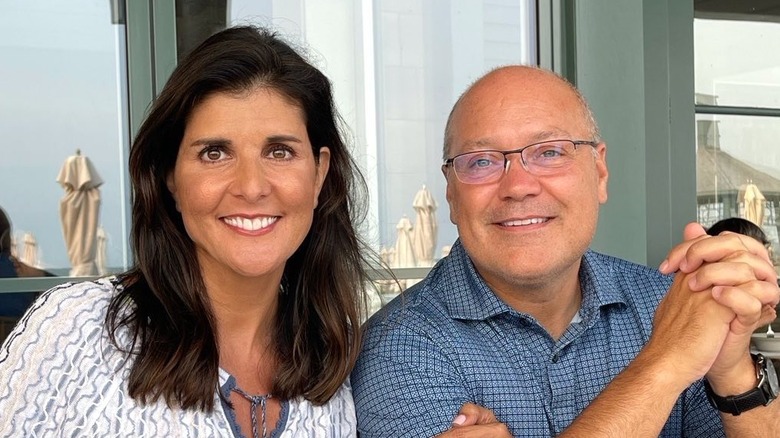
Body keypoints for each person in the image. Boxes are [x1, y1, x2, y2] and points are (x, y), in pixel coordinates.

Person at [351, 66, 780, 437]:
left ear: (599, 172)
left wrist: (732, 371)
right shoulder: (398, 348)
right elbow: (670, 357)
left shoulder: (665, 301)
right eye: (481, 161)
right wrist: (666, 361)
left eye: (550, 152)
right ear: (450, 194)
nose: (518, 186)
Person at [0, 25, 375, 437]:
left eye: (279, 152)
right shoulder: (77, 329)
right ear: (171, 179)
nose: (251, 187)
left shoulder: (333, 369)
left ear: (318, 174)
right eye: (215, 153)